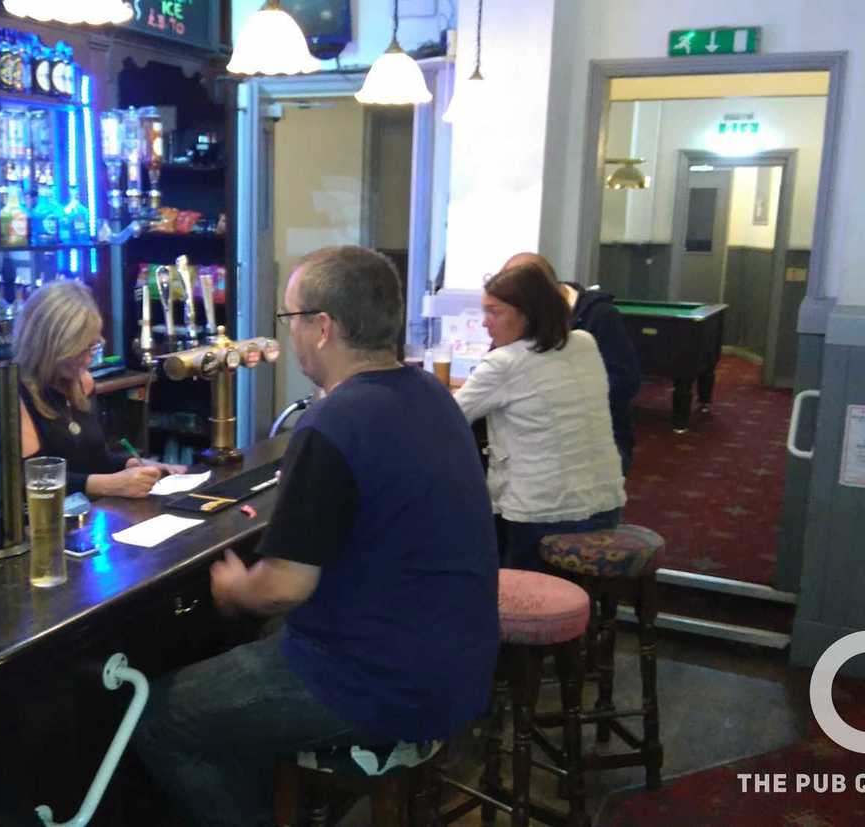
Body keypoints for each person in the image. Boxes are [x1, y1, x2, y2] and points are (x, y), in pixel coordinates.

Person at [132, 246, 499, 827]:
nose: (290, 333)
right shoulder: (431, 394)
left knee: (158, 717)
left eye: (290, 317)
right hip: (461, 662)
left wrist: (234, 587)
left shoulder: (334, 422)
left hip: (383, 682)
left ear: (323, 327)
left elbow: (283, 588)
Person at [454, 261, 627, 570]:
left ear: (527, 314)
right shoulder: (584, 342)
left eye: (494, 312)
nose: (484, 323)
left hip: (543, 513)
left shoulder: (504, 362)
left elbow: (447, 418)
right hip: (605, 503)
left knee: (501, 567)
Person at [12, 280, 181, 498]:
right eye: (78, 350)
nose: (88, 359)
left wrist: (133, 464)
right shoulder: (16, 394)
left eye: (92, 347)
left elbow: (95, 459)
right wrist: (109, 485)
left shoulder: (82, 382)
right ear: (47, 347)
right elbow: (31, 478)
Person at [503, 251, 641, 473]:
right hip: (534, 430)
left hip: (596, 436)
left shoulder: (600, 316)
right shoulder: (523, 313)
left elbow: (626, 382)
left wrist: (562, 397)